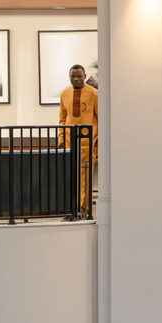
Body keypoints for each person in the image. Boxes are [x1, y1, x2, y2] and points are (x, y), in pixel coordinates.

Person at [58, 64, 98, 217]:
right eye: (73, 76)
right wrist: (61, 137)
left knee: (85, 178)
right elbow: (62, 118)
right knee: (69, 177)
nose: (76, 79)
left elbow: (100, 119)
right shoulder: (64, 94)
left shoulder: (94, 94)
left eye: (79, 76)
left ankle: (84, 209)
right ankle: (70, 208)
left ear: (85, 76)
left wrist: (97, 141)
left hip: (87, 144)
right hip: (68, 143)